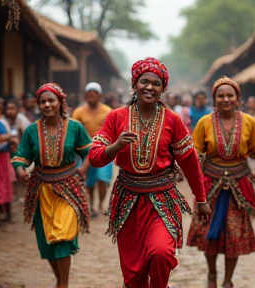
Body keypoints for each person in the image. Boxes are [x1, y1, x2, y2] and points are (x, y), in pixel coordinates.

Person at [89, 57, 211, 288]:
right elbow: (95, 157)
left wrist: (201, 198)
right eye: (144, 81)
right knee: (134, 275)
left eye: (156, 83)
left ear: (162, 88)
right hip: (128, 203)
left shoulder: (172, 121)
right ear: (134, 84)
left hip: (162, 200)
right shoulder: (116, 117)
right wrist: (116, 146)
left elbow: (190, 162)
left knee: (161, 254)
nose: (149, 87)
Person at [187, 76, 255, 288]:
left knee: (234, 234)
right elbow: (195, 150)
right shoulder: (204, 122)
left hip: (238, 186)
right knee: (208, 234)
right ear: (214, 99)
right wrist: (190, 164)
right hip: (210, 186)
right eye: (220, 96)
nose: (225, 99)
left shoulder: (250, 122)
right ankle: (212, 274)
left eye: (230, 95)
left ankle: (227, 280)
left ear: (237, 98)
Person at [12, 83, 91, 288]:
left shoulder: (75, 127)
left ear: (60, 102)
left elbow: (89, 152)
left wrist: (82, 171)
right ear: (38, 105)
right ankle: (59, 278)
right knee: (47, 241)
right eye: (43, 101)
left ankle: (63, 284)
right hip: (41, 191)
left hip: (68, 190)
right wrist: (20, 170)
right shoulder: (31, 130)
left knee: (62, 237)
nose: (47, 105)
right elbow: (21, 156)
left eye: (51, 100)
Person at [72, 82, 113, 218]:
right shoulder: (78, 112)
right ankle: (91, 206)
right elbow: (73, 131)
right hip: (85, 151)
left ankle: (100, 204)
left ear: (99, 96)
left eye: (94, 93)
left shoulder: (108, 111)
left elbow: (113, 129)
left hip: (104, 149)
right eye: (88, 94)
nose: (91, 96)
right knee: (88, 180)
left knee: (102, 179)